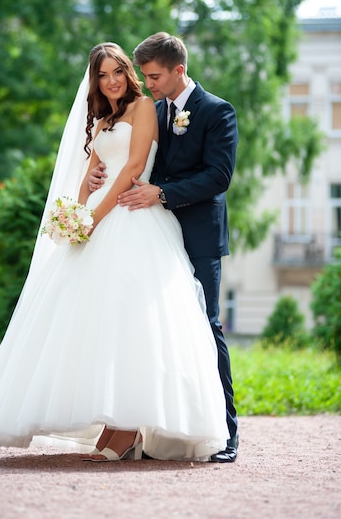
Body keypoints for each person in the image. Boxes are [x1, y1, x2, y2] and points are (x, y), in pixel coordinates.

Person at [0, 42, 229, 462]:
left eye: (117, 73)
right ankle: (113, 426)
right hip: (101, 215)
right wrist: (79, 204)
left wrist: (94, 217)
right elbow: (93, 171)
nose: (111, 81)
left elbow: (133, 166)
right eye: (102, 75)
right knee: (95, 320)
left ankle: (127, 430)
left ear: (129, 72)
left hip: (130, 215)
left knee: (131, 319)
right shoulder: (103, 118)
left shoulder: (145, 108)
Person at [89, 33, 239, 463]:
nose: (148, 83)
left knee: (206, 327)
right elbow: (135, 160)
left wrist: (162, 194)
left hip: (198, 235)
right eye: (145, 76)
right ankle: (157, 432)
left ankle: (223, 433)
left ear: (179, 70)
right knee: (156, 331)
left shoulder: (216, 111)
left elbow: (218, 177)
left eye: (154, 76)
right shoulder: (152, 111)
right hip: (151, 235)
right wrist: (102, 175)